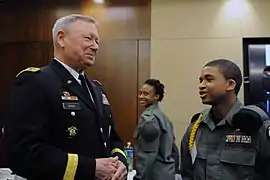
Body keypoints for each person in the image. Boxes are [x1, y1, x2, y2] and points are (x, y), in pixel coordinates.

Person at [5, 14, 127, 180]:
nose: (95, 47)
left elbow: (113, 140)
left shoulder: (97, 90)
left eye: (97, 41)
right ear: (61, 39)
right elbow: (22, 151)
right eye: (88, 38)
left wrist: (120, 162)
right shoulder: (35, 81)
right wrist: (89, 168)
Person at [180, 59, 270, 180]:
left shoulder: (256, 125)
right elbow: (187, 172)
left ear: (230, 85)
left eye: (209, 79)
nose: (201, 86)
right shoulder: (197, 126)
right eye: (201, 80)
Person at [134, 79, 181, 180]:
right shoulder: (163, 118)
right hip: (168, 173)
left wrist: (139, 178)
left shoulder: (147, 119)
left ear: (156, 96)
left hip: (154, 175)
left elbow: (147, 155)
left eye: (146, 94)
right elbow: (174, 151)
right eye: (140, 93)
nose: (141, 97)